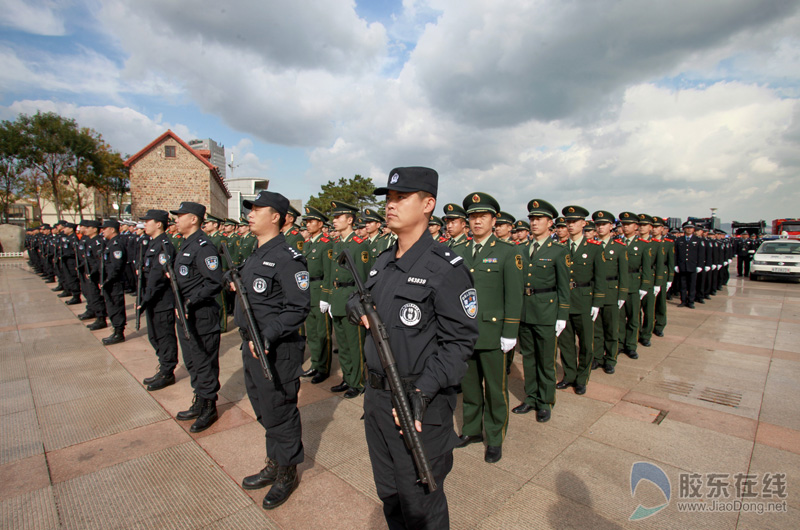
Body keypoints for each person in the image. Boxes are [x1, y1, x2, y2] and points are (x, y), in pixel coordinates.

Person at [348, 166, 478, 529]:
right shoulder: (383, 262)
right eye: (389, 198)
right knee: (390, 495)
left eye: (401, 198)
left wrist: (424, 390)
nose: (391, 206)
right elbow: (359, 300)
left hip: (417, 405)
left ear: (428, 205)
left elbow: (460, 341)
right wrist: (353, 307)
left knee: (421, 504)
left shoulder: (446, 267)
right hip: (377, 400)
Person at [231, 191, 311, 510]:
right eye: (250, 208)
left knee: (280, 409)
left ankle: (287, 472)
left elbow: (298, 306)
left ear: (275, 216)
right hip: (252, 344)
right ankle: (275, 461)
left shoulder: (287, 256)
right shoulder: (256, 252)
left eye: (257, 209)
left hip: (276, 348)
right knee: (264, 408)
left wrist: (269, 333)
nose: (250, 213)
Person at [455, 192, 522, 464]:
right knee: (469, 386)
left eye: (482, 216)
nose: (476, 221)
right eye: (472, 216)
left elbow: (514, 295)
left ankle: (495, 437)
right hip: (464, 332)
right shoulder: (458, 251)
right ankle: (472, 430)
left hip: (494, 333)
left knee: (495, 389)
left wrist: (510, 332)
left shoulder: (507, 252)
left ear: (494, 220)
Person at [512, 199, 569, 422]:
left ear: (549, 222)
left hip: (547, 311)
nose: (534, 223)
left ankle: (545, 401)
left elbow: (564, 286)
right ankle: (531, 396)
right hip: (526, 311)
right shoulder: (522, 249)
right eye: (532, 219)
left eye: (539, 219)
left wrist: (562, 315)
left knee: (545, 360)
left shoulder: (558, 251)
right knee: (529, 358)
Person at [168, 201, 224, 433]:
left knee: (204, 362)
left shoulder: (203, 246)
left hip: (201, 314)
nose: (176, 219)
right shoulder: (186, 244)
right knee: (192, 361)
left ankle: (209, 406)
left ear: (194, 219)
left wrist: (191, 301)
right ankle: (199, 399)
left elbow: (215, 281)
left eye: (181, 216)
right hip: (186, 314)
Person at [322, 200, 370, 398]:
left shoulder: (360, 245)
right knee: (342, 343)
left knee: (355, 345)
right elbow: (331, 273)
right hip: (338, 298)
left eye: (338, 217)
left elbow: (365, 279)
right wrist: (328, 298)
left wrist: (362, 306)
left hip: (352, 299)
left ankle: (358, 382)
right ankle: (348, 377)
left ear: (349, 220)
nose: (334, 221)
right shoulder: (337, 244)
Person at [556, 205, 606, 395]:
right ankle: (569, 375)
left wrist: (597, 303)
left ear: (583, 224)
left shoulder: (594, 248)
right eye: (567, 222)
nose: (570, 225)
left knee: (585, 343)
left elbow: (599, 278)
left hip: (584, 300)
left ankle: (582, 378)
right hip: (564, 301)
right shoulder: (559, 248)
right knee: (565, 343)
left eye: (574, 222)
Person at [138, 209, 179, 392]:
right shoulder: (153, 243)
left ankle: (167, 372)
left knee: (164, 336)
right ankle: (163, 366)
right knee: (154, 335)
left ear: (159, 224)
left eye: (148, 221)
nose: (145, 224)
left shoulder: (164, 245)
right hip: (152, 298)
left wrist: (145, 299)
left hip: (161, 299)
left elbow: (157, 276)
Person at [591, 210, 628, 373]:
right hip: (594, 291)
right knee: (596, 328)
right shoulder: (591, 246)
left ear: (611, 226)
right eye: (597, 225)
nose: (600, 228)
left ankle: (611, 358)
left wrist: (622, 294)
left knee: (612, 327)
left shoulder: (619, 248)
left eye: (603, 224)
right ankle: (597, 357)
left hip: (612, 291)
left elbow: (624, 274)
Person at [300, 205, 334, 384]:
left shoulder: (326, 243)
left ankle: (324, 367)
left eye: (311, 221)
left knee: (323, 333)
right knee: (312, 332)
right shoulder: (308, 243)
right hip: (308, 291)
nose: (307, 224)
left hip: (320, 289)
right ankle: (315, 363)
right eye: (306, 222)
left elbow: (329, 272)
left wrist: (326, 296)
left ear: (320, 224)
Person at [617, 212, 653, 359]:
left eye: (628, 224)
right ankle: (619, 343)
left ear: (635, 226)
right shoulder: (617, 243)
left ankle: (631, 345)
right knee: (619, 317)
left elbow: (646, 268)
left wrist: (644, 286)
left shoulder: (643, 245)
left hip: (633, 284)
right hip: (619, 284)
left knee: (633, 317)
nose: (625, 227)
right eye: (623, 224)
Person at [99, 220, 128, 345]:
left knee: (116, 306)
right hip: (109, 281)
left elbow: (116, 266)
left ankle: (119, 332)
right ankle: (116, 329)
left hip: (114, 282)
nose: (103, 231)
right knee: (111, 306)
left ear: (112, 229)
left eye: (105, 228)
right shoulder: (110, 243)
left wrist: (108, 280)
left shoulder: (116, 244)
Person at [674, 221, 701, 308]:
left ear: (693, 229)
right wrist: (676, 265)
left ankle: (691, 301)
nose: (689, 229)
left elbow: (700, 254)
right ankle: (683, 300)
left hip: (693, 266)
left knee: (692, 285)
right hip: (682, 265)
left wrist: (700, 265)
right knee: (683, 284)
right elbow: (676, 254)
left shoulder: (697, 240)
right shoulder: (679, 240)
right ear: (684, 229)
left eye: (691, 228)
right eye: (687, 228)